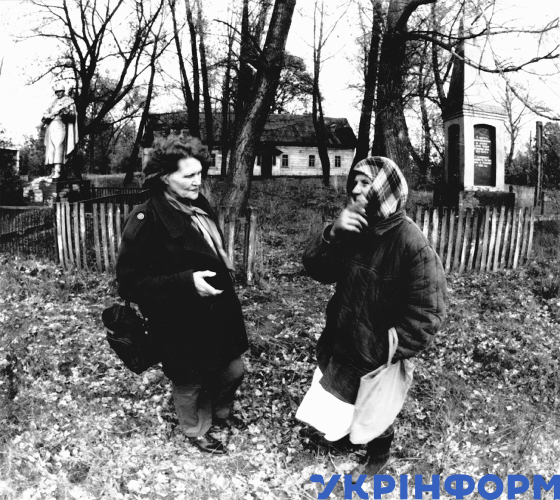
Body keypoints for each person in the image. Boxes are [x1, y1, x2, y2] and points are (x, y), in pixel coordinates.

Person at [297, 156, 447, 477]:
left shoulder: (412, 243)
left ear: (385, 189)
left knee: (375, 405)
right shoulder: (355, 228)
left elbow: (427, 316)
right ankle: (342, 437)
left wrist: (385, 348)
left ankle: (379, 453)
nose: (355, 189)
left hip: (377, 350)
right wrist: (332, 233)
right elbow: (318, 269)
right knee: (340, 392)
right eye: (355, 182)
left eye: (365, 183)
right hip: (343, 336)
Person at [116, 135, 249, 455]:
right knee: (190, 380)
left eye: (200, 173)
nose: (197, 181)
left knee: (233, 370)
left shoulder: (198, 206)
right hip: (178, 320)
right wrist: (186, 283)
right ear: (164, 177)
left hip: (217, 311)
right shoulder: (145, 218)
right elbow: (130, 284)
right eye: (188, 175)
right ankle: (195, 428)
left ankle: (220, 412)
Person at [42, 82, 79, 179]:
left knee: (59, 146)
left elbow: (73, 116)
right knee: (51, 149)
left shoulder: (69, 101)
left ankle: (58, 170)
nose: (58, 93)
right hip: (51, 126)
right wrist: (48, 116)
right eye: (56, 92)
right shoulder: (53, 103)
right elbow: (45, 114)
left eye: (60, 91)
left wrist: (65, 112)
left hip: (60, 125)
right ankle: (53, 171)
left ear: (63, 91)